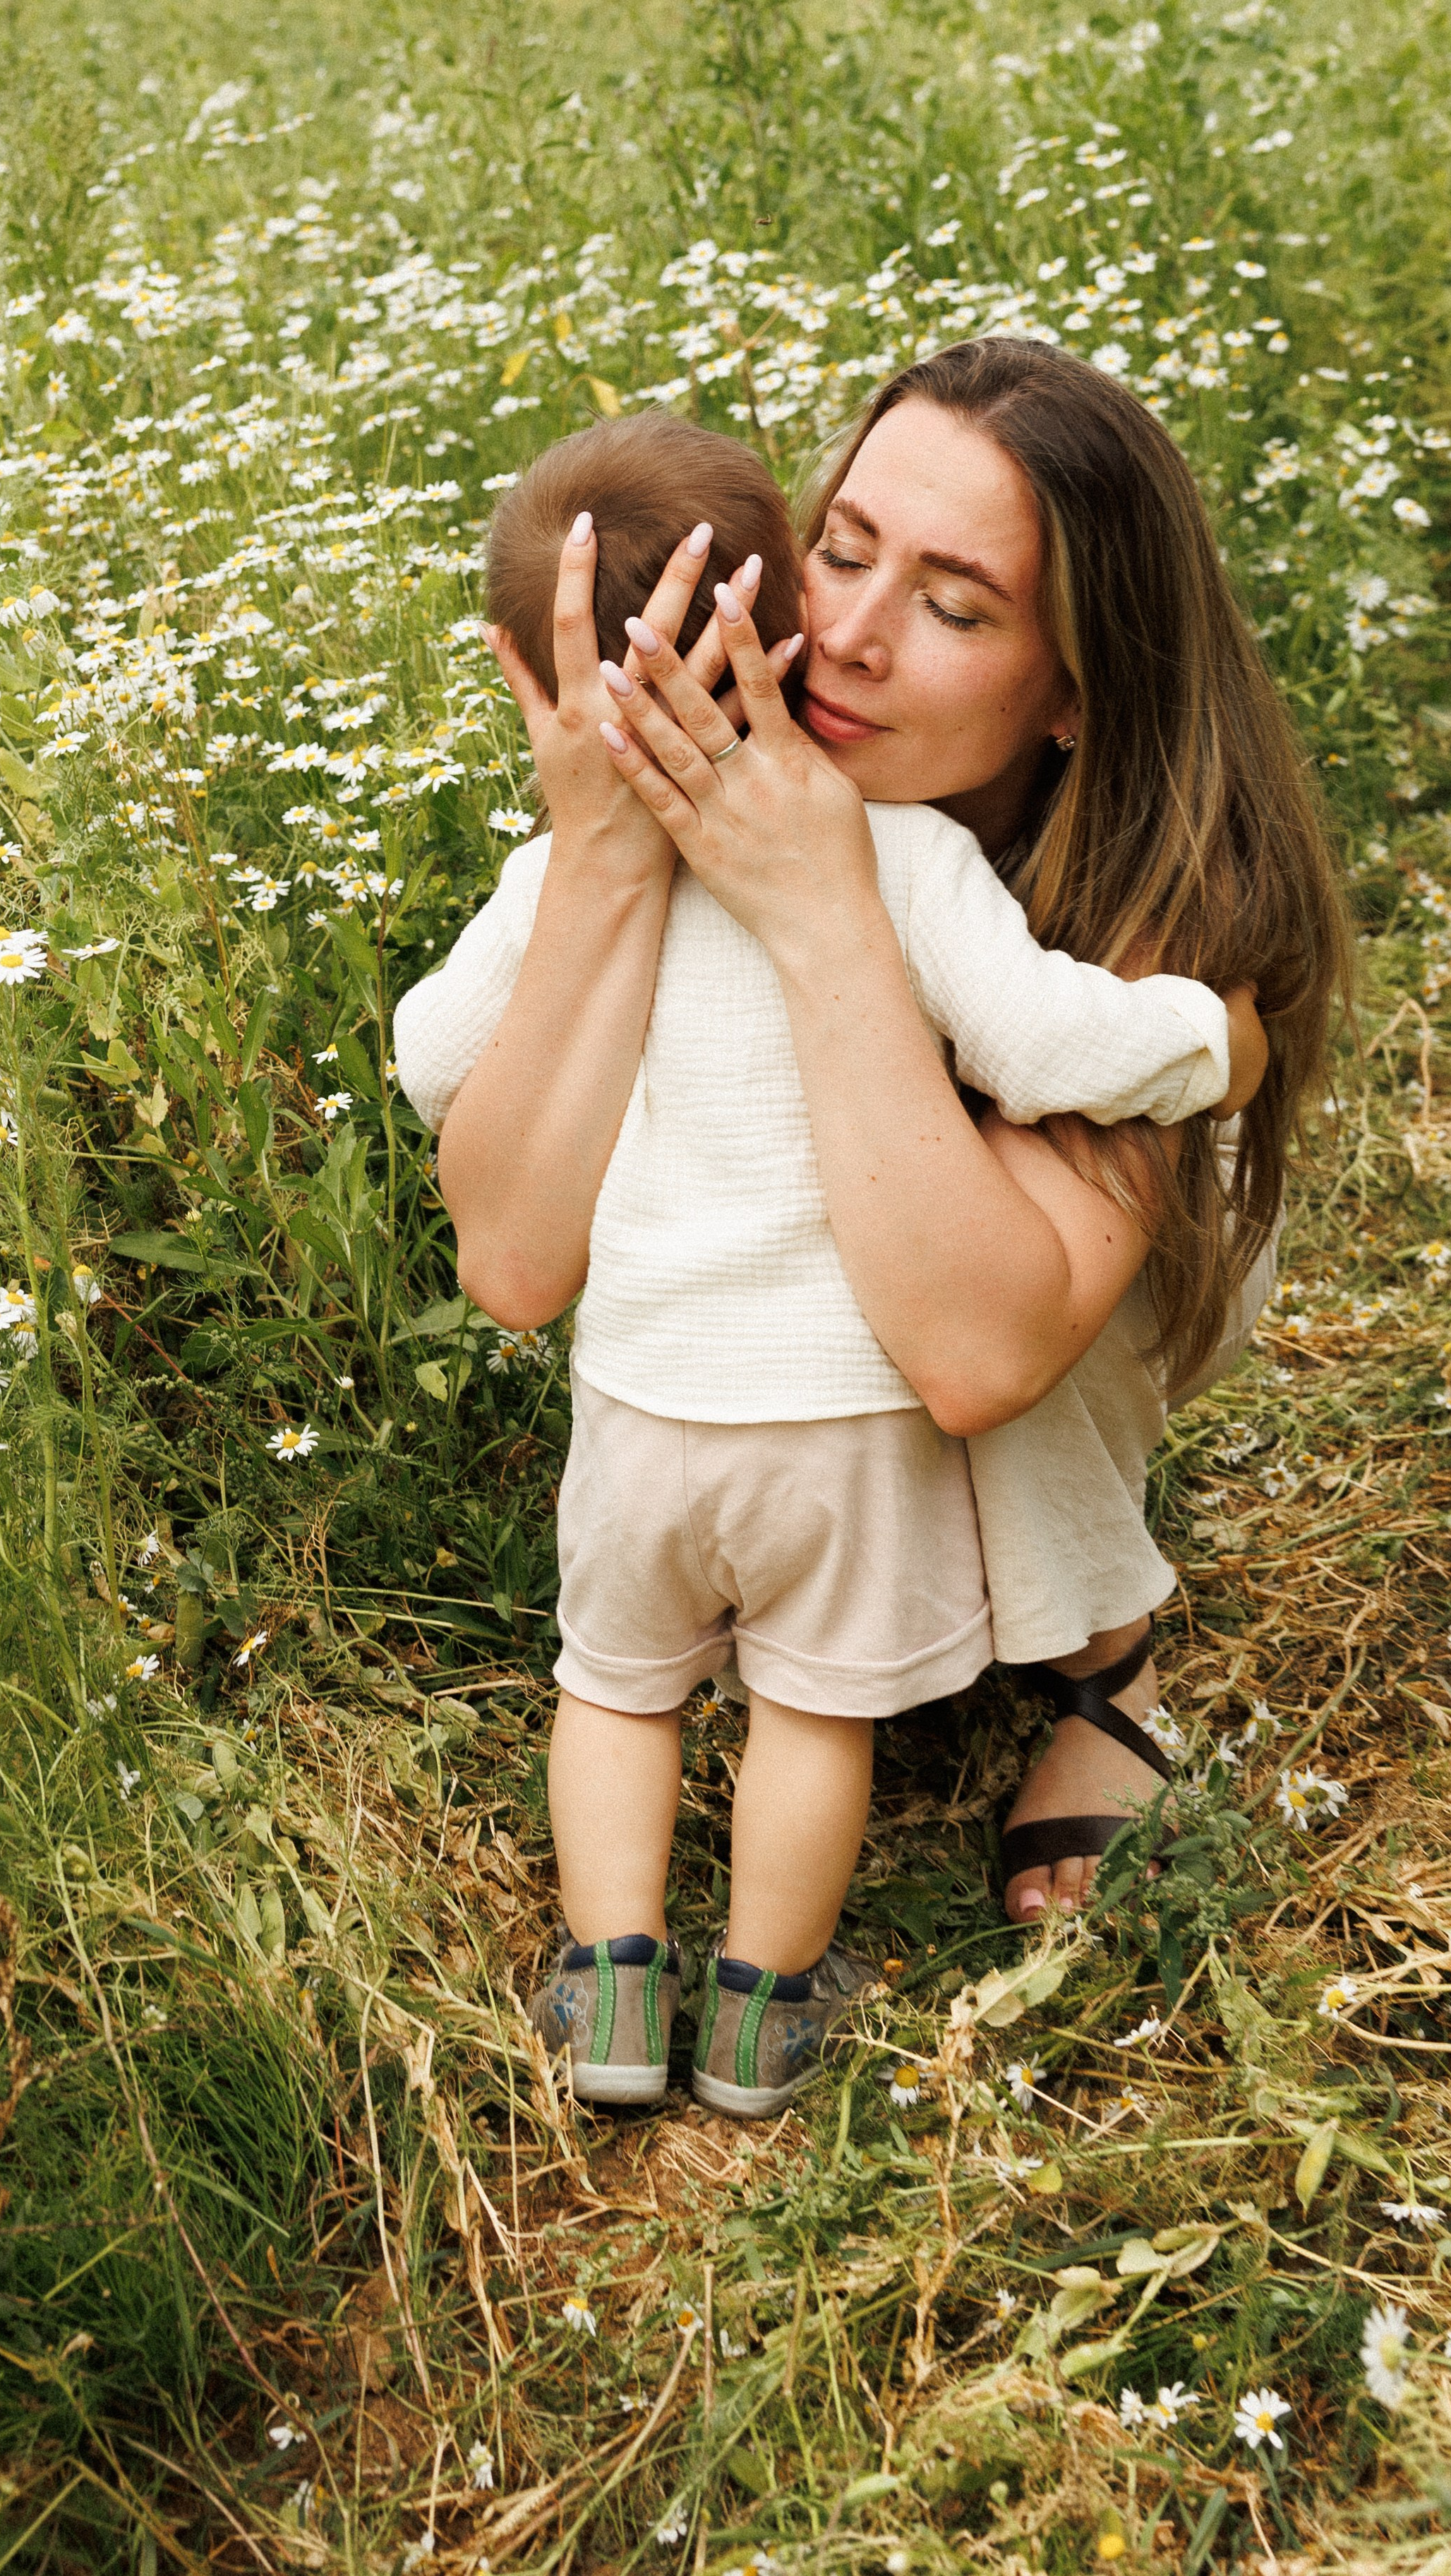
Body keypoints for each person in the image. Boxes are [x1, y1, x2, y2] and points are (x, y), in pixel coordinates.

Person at [393, 381, 1304, 2116]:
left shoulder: (1142, 888)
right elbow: (509, 1264)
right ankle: (758, 1995)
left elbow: (976, 1354)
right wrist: (595, 853)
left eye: (955, 608)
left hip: (1012, 1329)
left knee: (657, 1656)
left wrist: (826, 909)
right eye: (844, 550)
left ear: (1075, 688)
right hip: (791, 1397)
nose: (851, 639)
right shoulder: (721, 783)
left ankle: (1101, 1662)